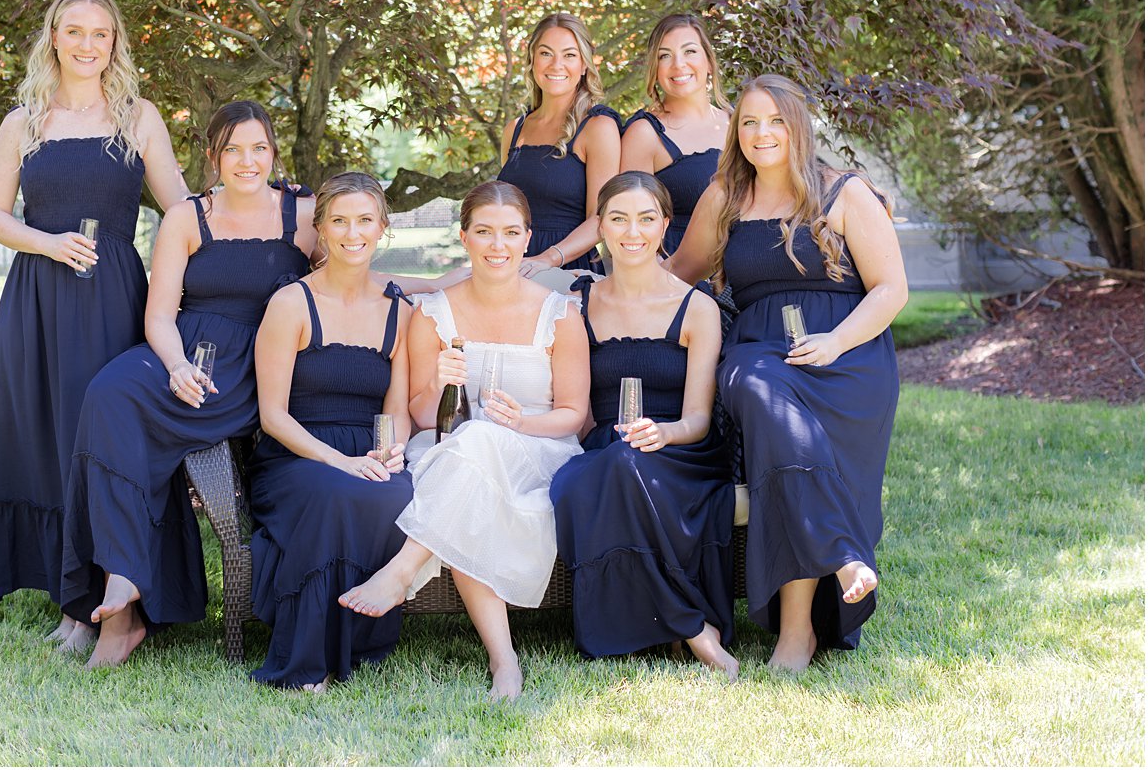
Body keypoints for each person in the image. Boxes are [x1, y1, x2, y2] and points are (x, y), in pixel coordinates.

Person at [58, 100, 316, 668]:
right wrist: (175, 366)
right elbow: (158, 316)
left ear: (274, 152)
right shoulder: (186, 217)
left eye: (258, 148)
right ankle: (122, 590)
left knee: (120, 420)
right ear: (212, 156)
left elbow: (353, 273)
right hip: (182, 355)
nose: (246, 161)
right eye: (232, 149)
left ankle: (121, 611)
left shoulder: (304, 214)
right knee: (107, 396)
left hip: (252, 368)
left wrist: (438, 283)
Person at [0, 0, 190, 650]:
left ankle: (107, 597)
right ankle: (70, 604)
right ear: (54, 38)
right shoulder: (25, 120)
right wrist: (48, 241)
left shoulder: (138, 116)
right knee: (43, 440)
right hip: (37, 297)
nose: (88, 44)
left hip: (113, 297)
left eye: (101, 33)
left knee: (94, 440)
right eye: (76, 31)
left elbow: (180, 207)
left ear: (114, 43)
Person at [670, 74, 907, 671]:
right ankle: (842, 554)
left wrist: (835, 342)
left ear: (798, 126)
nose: (761, 133)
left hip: (846, 359)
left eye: (775, 120)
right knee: (756, 384)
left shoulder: (844, 193)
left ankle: (797, 631)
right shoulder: (724, 195)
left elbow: (891, 290)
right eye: (748, 122)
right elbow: (675, 275)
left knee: (782, 436)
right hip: (758, 354)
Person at [339, 180, 589, 700]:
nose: (498, 245)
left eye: (510, 233)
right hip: (448, 447)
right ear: (464, 237)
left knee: (477, 453)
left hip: (538, 449)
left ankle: (401, 571)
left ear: (527, 239)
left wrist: (519, 423)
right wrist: (442, 382)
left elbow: (573, 415)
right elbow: (422, 413)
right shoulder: (432, 313)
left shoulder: (560, 315)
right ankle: (504, 662)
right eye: (484, 232)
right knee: (471, 460)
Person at [548, 172, 737, 679]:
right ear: (601, 228)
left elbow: (699, 419)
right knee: (590, 475)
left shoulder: (696, 306)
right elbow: (580, 410)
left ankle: (668, 623)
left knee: (623, 465)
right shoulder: (578, 303)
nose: (632, 232)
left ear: (664, 226)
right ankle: (692, 627)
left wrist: (665, 432)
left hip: (680, 451)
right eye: (618, 219)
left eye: (646, 219)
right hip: (603, 448)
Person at [248, 172, 417, 692]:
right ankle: (306, 662)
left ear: (382, 228)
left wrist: (392, 450)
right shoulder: (291, 304)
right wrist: (339, 462)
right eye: (339, 221)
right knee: (335, 494)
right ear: (320, 229)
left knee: (401, 493)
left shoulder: (401, 313)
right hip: (295, 458)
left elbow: (399, 409)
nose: (352, 233)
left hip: (368, 454)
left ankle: (357, 639)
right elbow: (272, 415)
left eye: (365, 220)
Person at [497, 13, 621, 275]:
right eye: (546, 53)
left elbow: (601, 219)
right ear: (532, 61)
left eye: (569, 55)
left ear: (585, 64)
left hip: (566, 271)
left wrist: (548, 259)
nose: (556, 65)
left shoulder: (598, 127)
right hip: (511, 269)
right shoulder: (514, 129)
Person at [619, 14, 731, 256]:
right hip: (681, 279)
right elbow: (631, 225)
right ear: (655, 69)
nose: (678, 64)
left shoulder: (738, 123)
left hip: (749, 270)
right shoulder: (644, 134)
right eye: (664, 56)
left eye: (689, 51)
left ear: (709, 62)